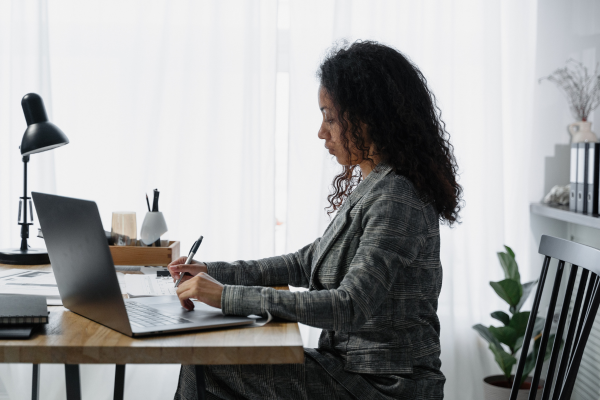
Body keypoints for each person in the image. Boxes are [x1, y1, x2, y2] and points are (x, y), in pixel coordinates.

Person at [170, 40, 462, 400]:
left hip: (384, 387)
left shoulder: (397, 197)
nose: (322, 132)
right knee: (205, 361)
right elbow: (306, 262)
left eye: (330, 117)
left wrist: (227, 296)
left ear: (368, 119)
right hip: (350, 372)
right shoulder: (377, 185)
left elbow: (349, 305)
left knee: (204, 363)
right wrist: (214, 272)